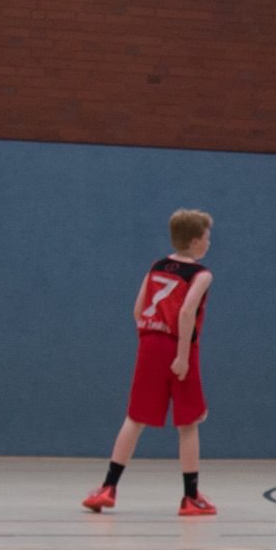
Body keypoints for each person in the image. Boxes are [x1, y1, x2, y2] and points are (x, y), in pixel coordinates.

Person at [83, 208, 216, 516]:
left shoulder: (156, 266)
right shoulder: (201, 274)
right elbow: (186, 312)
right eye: (207, 237)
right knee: (188, 422)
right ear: (195, 241)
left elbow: (138, 309)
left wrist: (151, 338)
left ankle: (108, 487)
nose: (209, 242)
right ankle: (191, 496)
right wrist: (181, 355)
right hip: (179, 346)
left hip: (149, 344)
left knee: (135, 417)